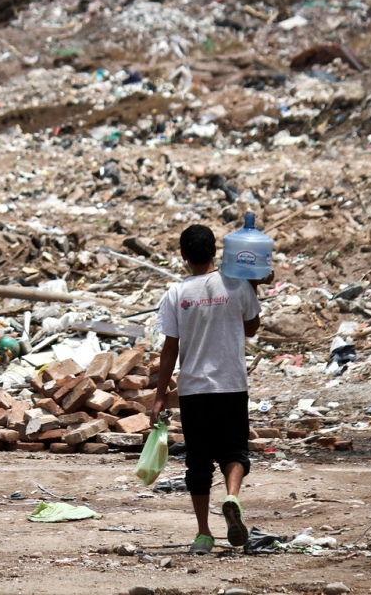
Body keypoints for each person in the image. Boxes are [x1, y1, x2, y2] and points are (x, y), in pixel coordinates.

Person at [150, 223, 273, 554]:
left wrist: (161, 396)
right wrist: (254, 289)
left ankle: (204, 534)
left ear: (183, 255)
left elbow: (169, 349)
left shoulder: (176, 294)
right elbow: (251, 329)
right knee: (235, 451)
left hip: (194, 391)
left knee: (199, 463)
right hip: (232, 385)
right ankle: (232, 496)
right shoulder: (237, 284)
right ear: (215, 251)